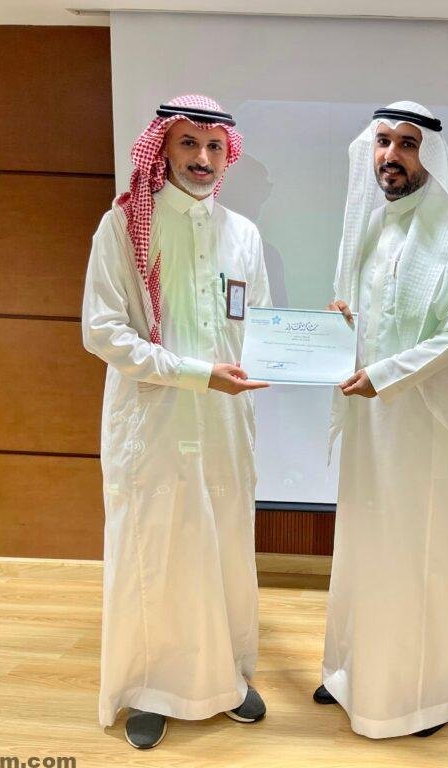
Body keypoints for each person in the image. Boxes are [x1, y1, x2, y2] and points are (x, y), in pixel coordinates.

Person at [82, 94, 272, 749]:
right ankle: (150, 689)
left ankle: (226, 677)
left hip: (225, 422)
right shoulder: (122, 227)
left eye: (214, 146)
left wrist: (320, 338)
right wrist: (196, 373)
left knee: (224, 544)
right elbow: (103, 332)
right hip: (153, 421)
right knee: (156, 549)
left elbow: (260, 328)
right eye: (189, 143)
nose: (203, 158)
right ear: (162, 147)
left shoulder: (243, 235)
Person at [315, 101, 448, 739]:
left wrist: (388, 375)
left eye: (408, 144)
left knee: (418, 548)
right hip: (368, 417)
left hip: (427, 419)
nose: (391, 155)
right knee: (366, 540)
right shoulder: (371, 225)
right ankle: (352, 670)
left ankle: (421, 693)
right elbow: (370, 314)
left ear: (431, 156)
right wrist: (340, 324)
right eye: (382, 142)